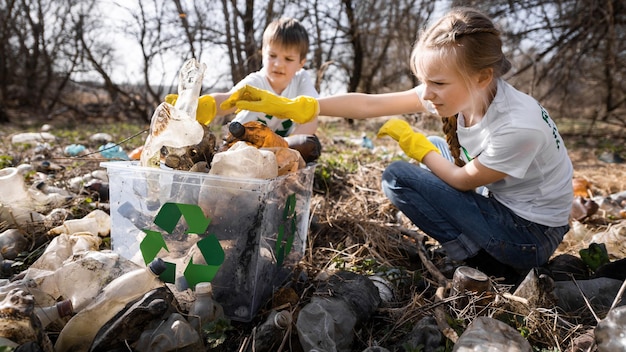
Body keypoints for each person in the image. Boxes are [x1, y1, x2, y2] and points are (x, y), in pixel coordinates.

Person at [220, 7, 574, 281]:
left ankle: (482, 262)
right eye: (423, 82)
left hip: (529, 236)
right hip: (506, 206)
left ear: (482, 76)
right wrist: (301, 106)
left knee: (399, 175)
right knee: (438, 143)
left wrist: (415, 145)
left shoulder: (517, 126)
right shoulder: (466, 88)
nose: (427, 93)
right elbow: (370, 104)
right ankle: (475, 248)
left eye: (435, 83)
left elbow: (464, 180)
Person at [166, 17, 319, 137]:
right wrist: (205, 105)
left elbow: (312, 118)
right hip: (240, 145)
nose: (278, 64)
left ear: (301, 63)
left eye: (289, 59)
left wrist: (288, 147)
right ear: (262, 54)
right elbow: (228, 100)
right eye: (272, 55)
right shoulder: (256, 82)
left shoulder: (301, 80)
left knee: (310, 147)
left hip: (278, 148)